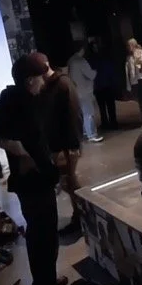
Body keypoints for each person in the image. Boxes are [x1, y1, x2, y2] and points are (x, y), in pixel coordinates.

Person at [0, 53, 67, 285]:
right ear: (30, 80)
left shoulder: (24, 100)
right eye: (40, 76)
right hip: (32, 183)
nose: (43, 81)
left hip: (38, 180)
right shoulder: (16, 102)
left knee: (46, 236)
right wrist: (17, 149)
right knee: (42, 238)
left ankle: (47, 284)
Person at [36, 53, 85, 232]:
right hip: (57, 145)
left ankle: (82, 218)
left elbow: (74, 115)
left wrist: (73, 145)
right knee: (68, 182)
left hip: (65, 146)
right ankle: (81, 217)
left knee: (70, 182)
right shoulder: (48, 87)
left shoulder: (63, 84)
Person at [67, 43, 103, 143]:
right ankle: (92, 134)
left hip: (76, 91)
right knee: (89, 113)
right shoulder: (81, 61)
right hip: (85, 91)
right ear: (82, 50)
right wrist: (95, 71)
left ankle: (85, 133)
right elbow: (90, 75)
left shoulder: (70, 60)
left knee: (83, 113)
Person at [92, 40, 119, 131]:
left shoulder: (93, 61)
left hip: (99, 86)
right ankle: (113, 123)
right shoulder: (107, 60)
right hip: (107, 85)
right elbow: (112, 72)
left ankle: (105, 123)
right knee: (110, 106)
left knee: (102, 107)